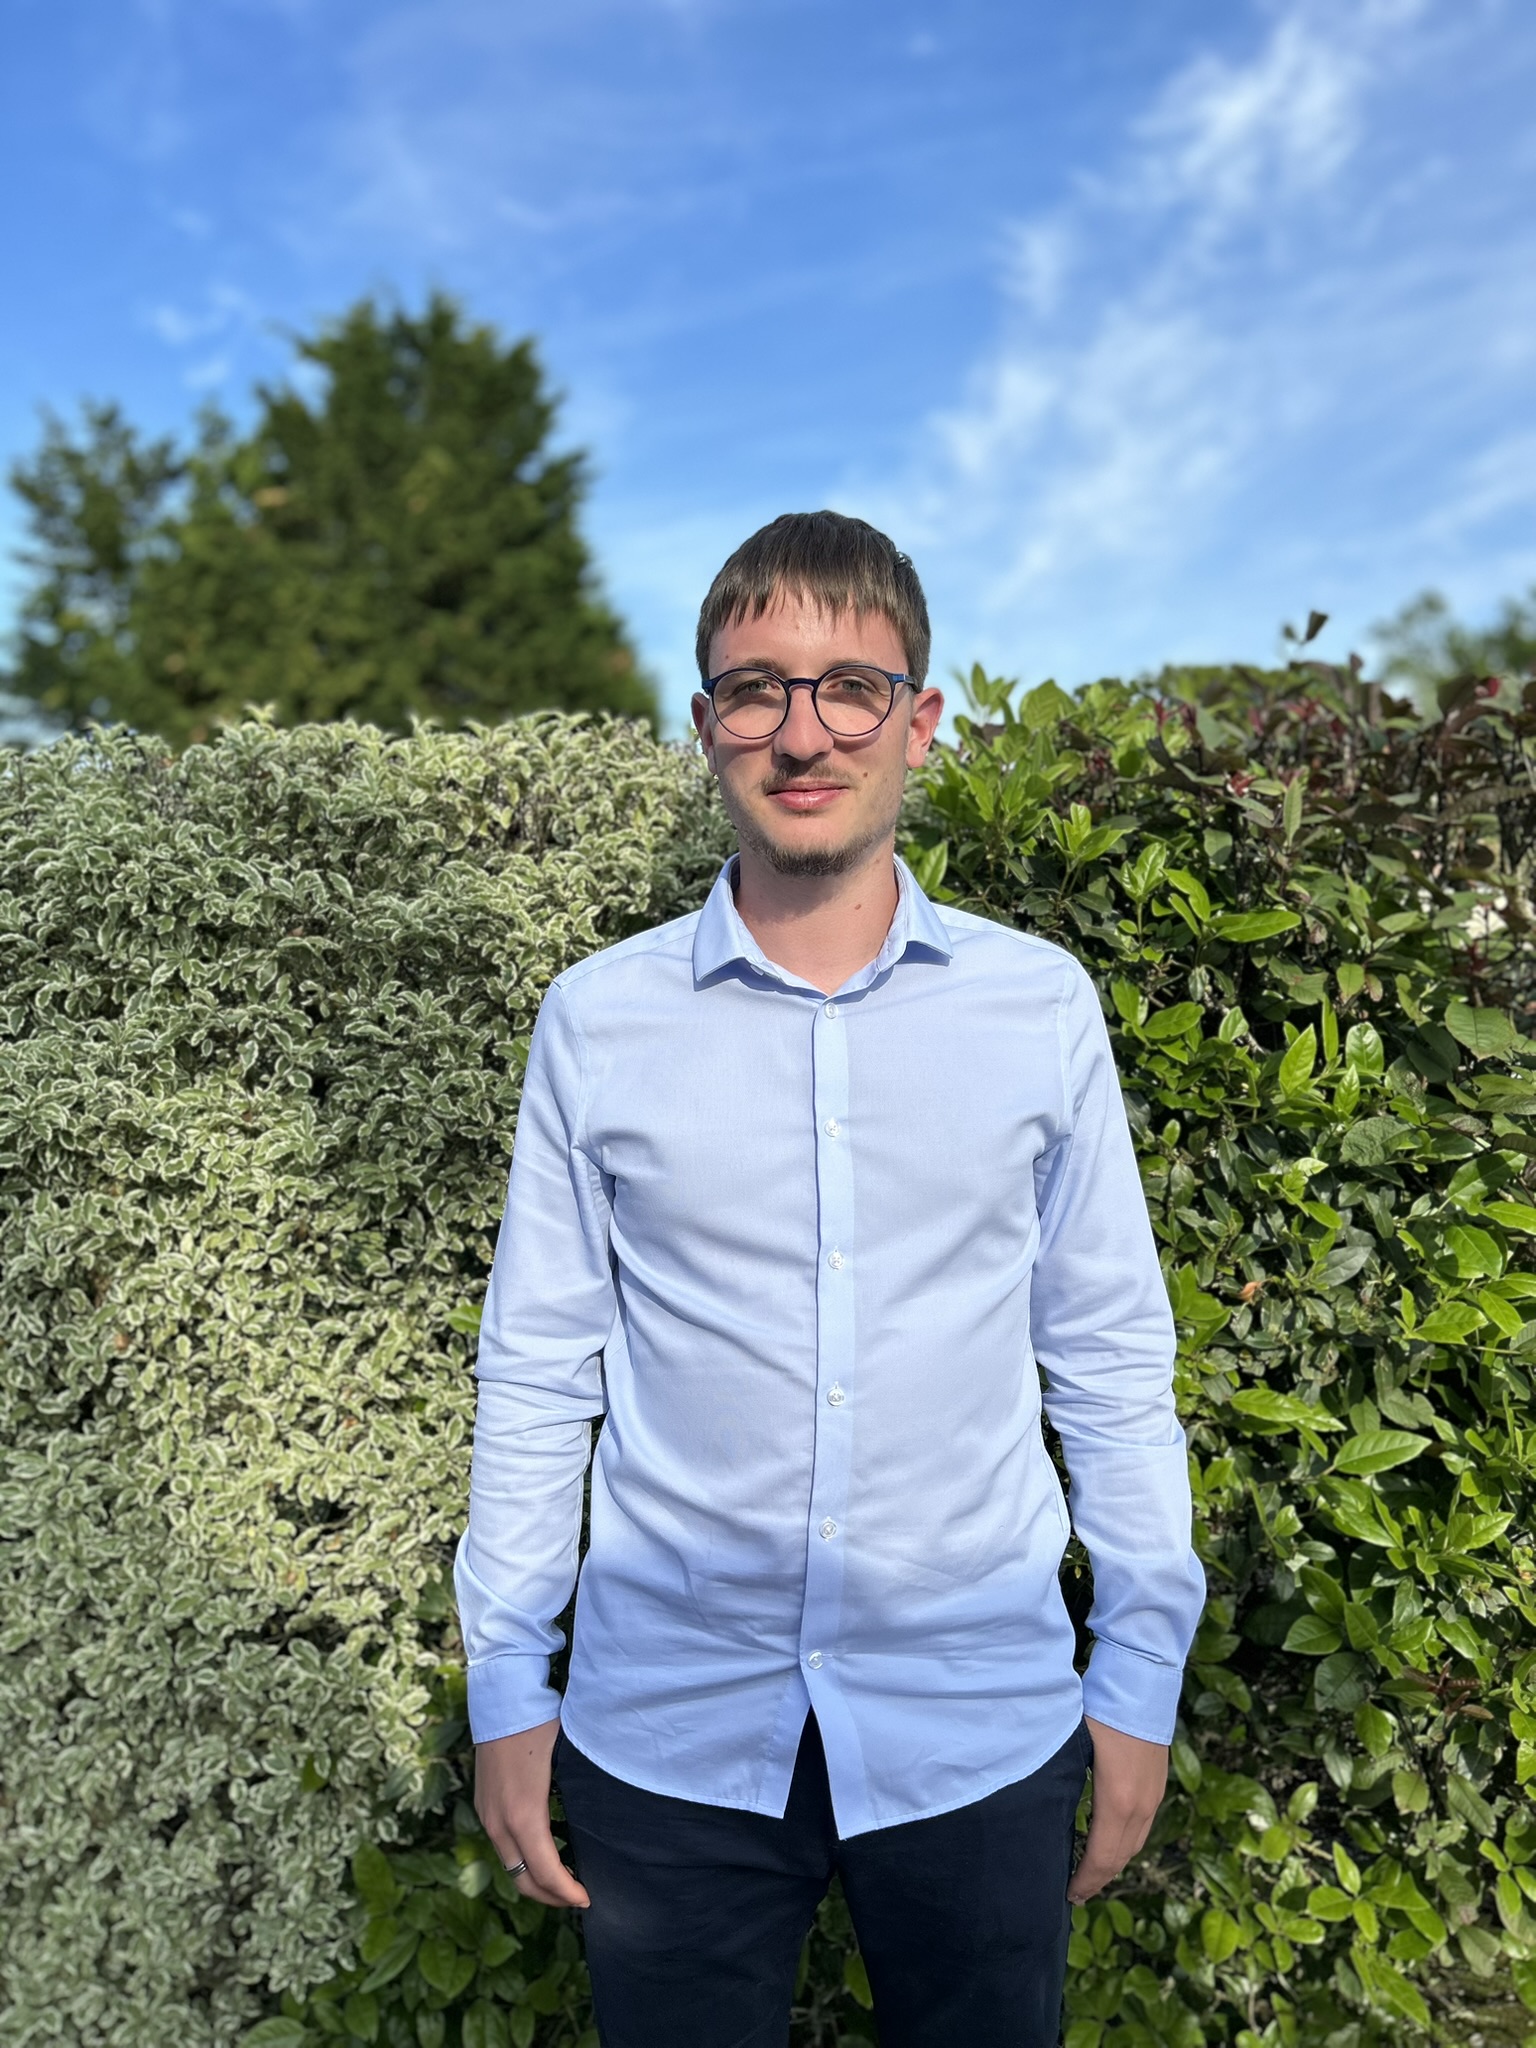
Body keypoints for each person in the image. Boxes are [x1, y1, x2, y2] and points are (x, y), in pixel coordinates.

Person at [454, 510, 1206, 2048]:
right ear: (706, 724)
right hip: (670, 1732)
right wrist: (508, 1684)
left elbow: (1110, 1357)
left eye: (851, 687)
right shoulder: (597, 1022)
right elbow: (539, 1369)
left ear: (918, 723)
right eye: (756, 690)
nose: (803, 734)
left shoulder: (1039, 1009)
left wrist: (1139, 1673)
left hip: (975, 1727)